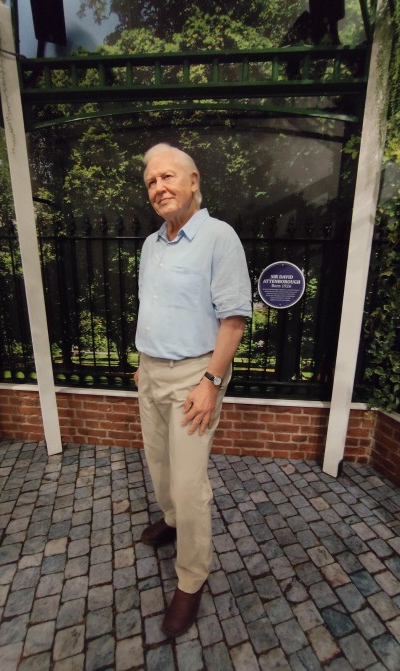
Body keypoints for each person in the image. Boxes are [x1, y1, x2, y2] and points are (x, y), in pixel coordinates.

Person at [134, 142, 252, 637]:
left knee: (188, 483)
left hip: (194, 377)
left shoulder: (219, 238)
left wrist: (210, 382)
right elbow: (153, 305)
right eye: (151, 181)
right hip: (151, 370)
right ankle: (172, 521)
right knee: (159, 464)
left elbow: (234, 320)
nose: (159, 187)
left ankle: (191, 579)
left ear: (193, 181)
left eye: (167, 177)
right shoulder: (151, 245)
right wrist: (142, 360)